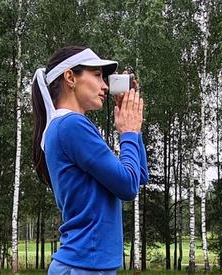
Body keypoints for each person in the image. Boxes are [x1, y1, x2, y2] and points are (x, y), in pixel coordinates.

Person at [31, 46, 149, 275]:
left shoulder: (67, 126)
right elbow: (127, 186)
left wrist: (133, 127)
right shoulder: (71, 125)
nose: (105, 85)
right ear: (70, 77)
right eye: (96, 75)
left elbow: (138, 175)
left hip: (88, 265)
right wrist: (128, 133)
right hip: (83, 266)